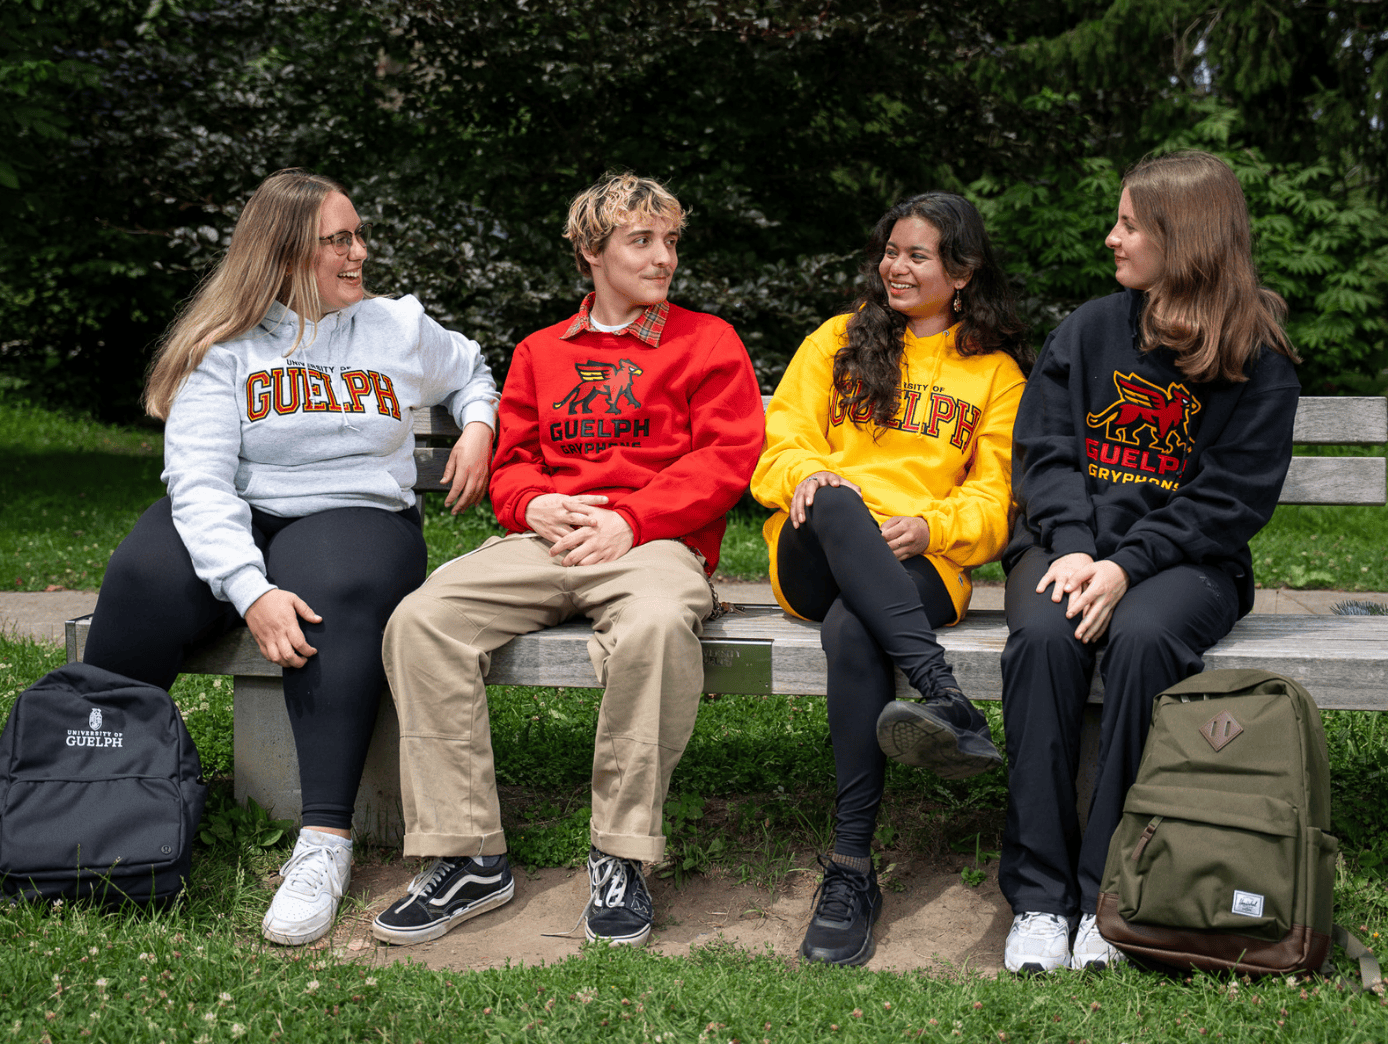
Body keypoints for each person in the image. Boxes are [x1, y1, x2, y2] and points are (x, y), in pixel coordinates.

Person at [82, 168, 500, 945]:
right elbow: (198, 482)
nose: (359, 252)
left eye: (357, 234)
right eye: (336, 240)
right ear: (280, 256)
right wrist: (248, 588)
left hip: (354, 512)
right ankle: (93, 785)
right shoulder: (225, 347)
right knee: (143, 575)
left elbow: (472, 368)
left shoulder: (396, 326)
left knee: (335, 587)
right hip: (246, 510)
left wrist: (476, 423)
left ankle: (324, 841)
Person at [371, 172, 765, 949]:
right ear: (591, 252)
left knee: (654, 629)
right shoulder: (541, 352)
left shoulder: (704, 340)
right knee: (422, 620)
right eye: (642, 241)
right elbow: (514, 463)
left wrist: (633, 518)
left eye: (672, 242)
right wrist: (532, 504)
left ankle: (620, 854)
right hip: (550, 543)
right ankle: (466, 854)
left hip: (654, 545)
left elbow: (729, 457)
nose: (664, 259)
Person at [998, 150, 1302, 974]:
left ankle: (1112, 894)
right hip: (1068, 547)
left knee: (1140, 643)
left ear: (1186, 235)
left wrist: (1128, 565)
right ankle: (1037, 897)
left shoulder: (1257, 352)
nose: (1111, 238)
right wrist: (1076, 548)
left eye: (1130, 224)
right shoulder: (1092, 328)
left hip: (1186, 562)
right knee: (1045, 640)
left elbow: (1230, 499)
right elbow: (1045, 453)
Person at [750, 192, 1030, 966]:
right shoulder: (836, 342)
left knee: (853, 627)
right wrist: (808, 475)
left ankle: (850, 867)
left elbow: (995, 498)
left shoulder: (996, 374)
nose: (893, 267)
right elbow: (782, 443)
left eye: (916, 255)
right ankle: (943, 694)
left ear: (962, 272)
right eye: (890, 251)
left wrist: (931, 527)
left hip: (920, 563)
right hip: (817, 542)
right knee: (840, 501)